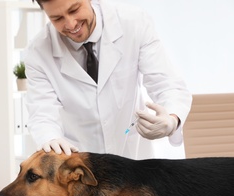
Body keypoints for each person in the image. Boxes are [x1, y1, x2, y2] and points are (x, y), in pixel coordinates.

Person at [24, 0, 192, 159]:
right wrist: (50, 139)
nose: (71, 24)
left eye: (74, 9)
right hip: (79, 163)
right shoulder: (38, 51)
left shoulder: (133, 22)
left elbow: (167, 84)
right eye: (57, 18)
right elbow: (42, 112)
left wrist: (171, 119)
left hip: (132, 157)